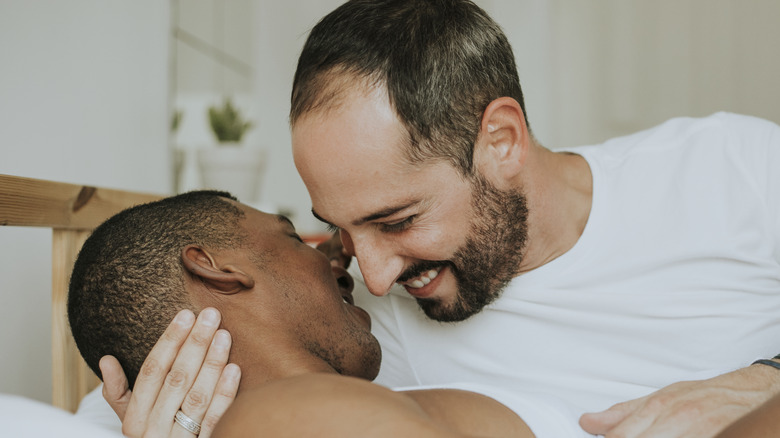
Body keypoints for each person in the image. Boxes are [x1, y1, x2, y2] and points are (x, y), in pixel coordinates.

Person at [103, 1, 780, 436]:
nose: (370, 276)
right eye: (340, 229)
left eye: (395, 220)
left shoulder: (731, 167)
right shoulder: (364, 339)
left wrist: (768, 380)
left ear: (502, 141)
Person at [69, 190, 585, 437]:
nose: (344, 262)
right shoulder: (282, 415)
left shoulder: (305, 414)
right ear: (214, 268)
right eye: (295, 237)